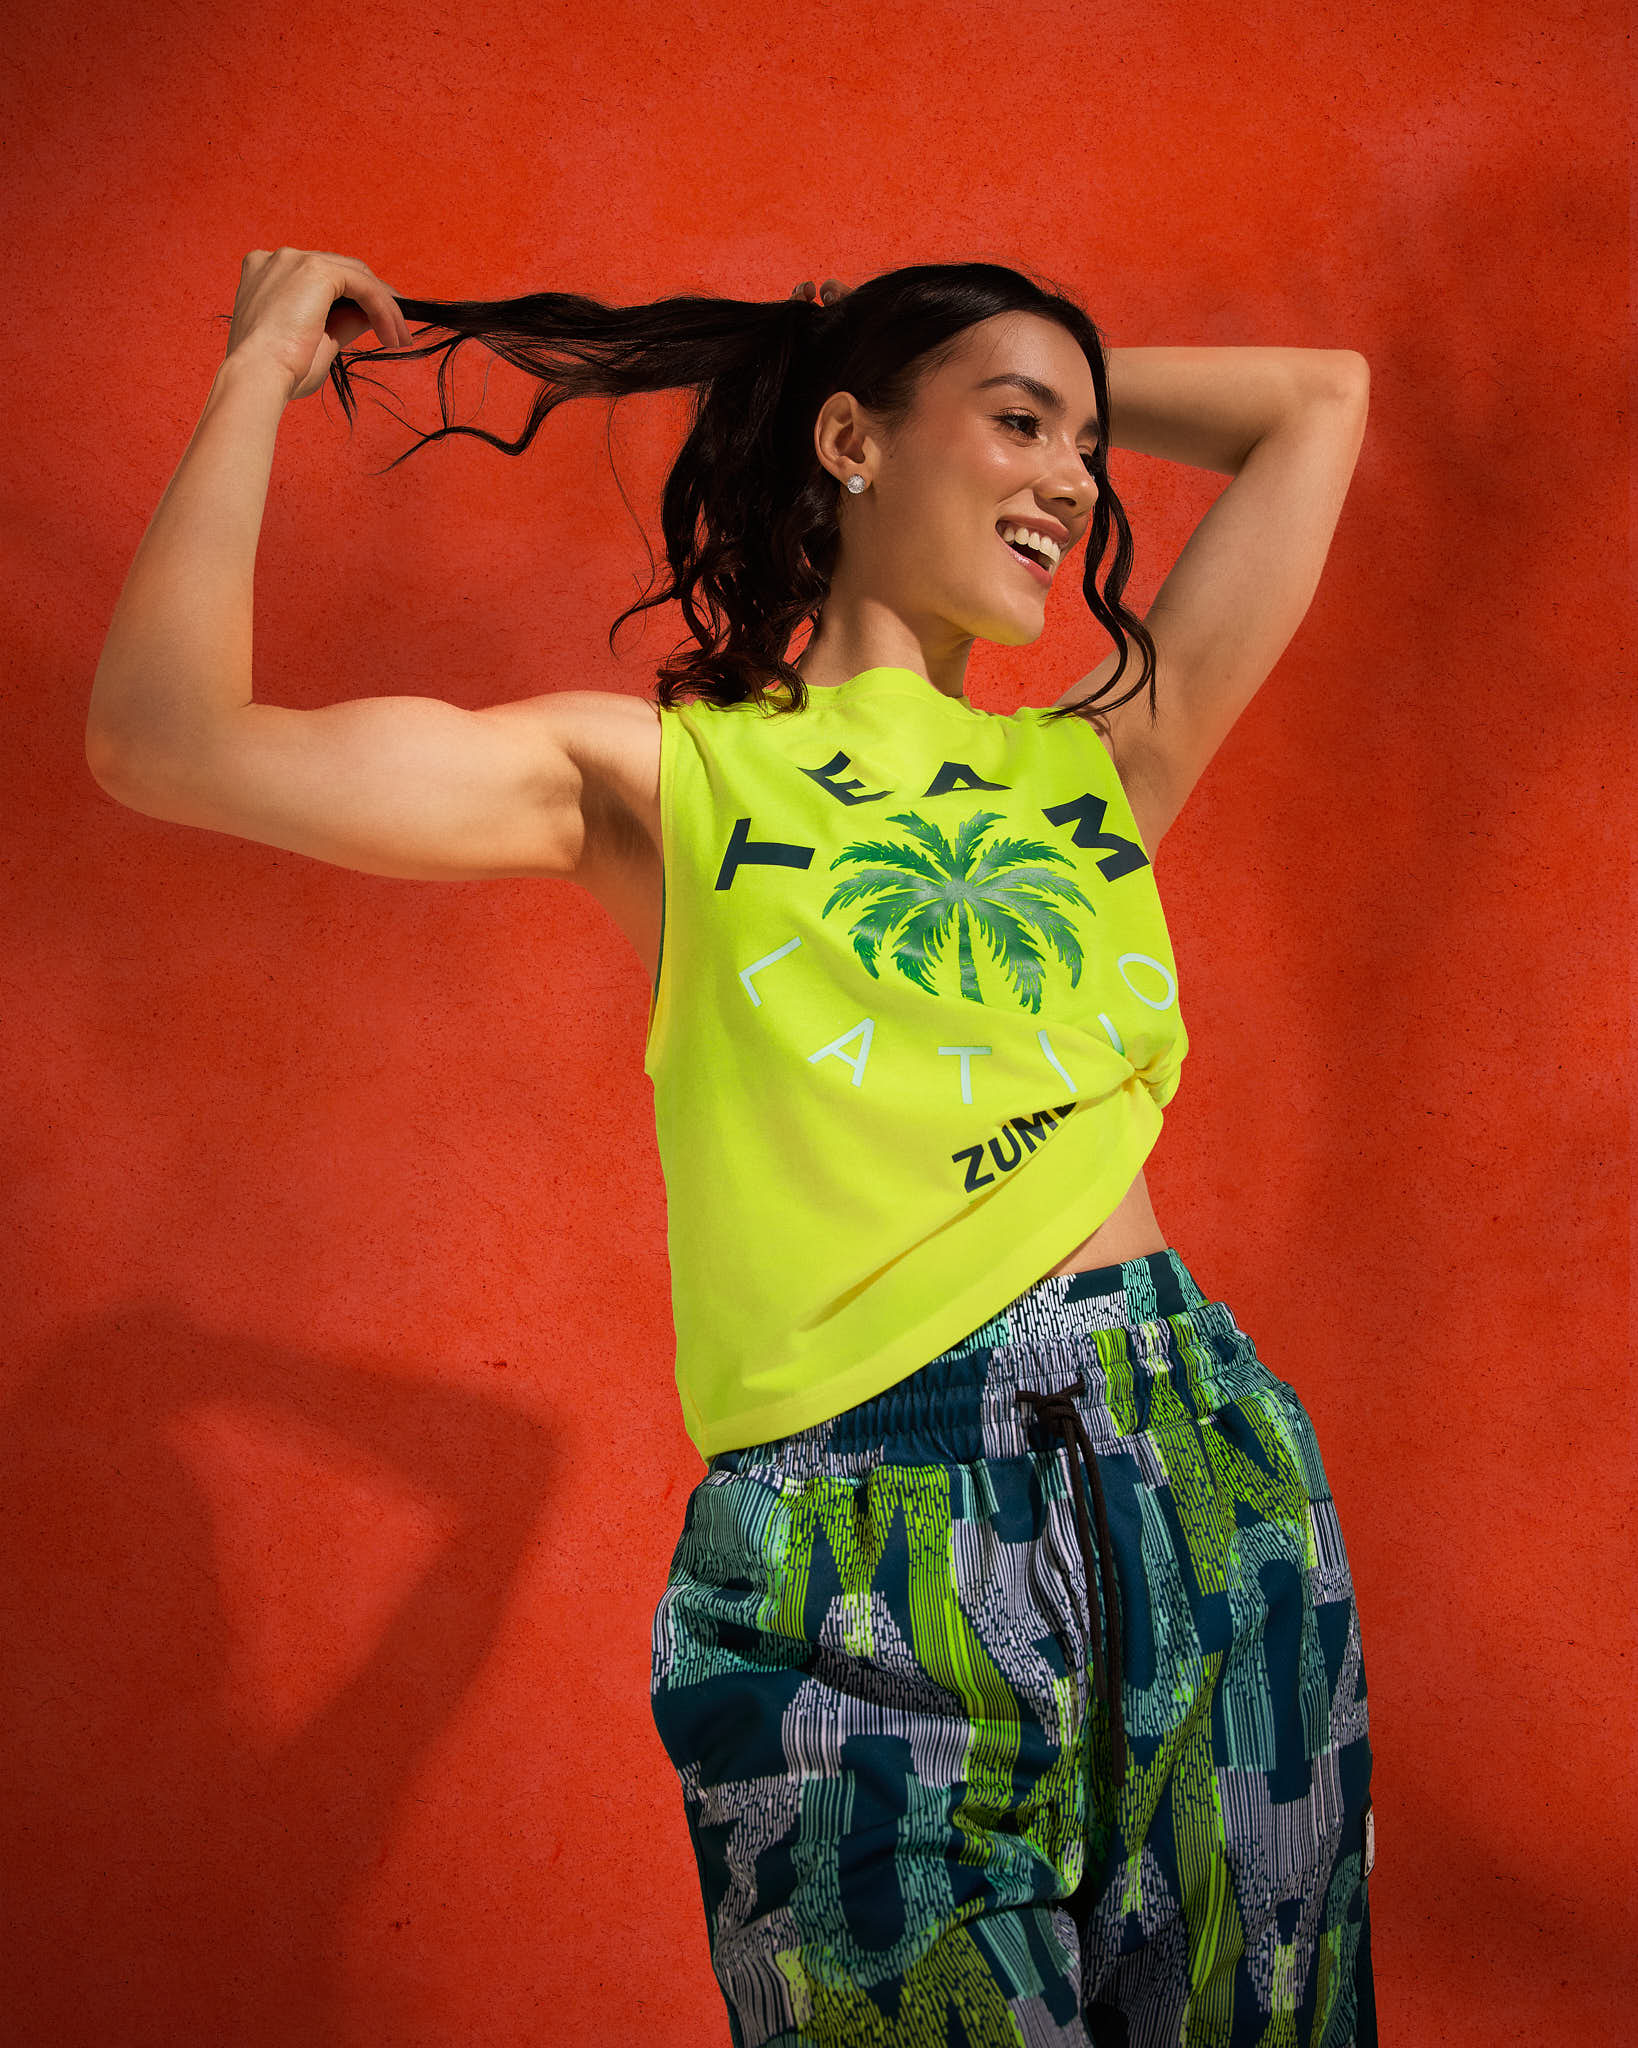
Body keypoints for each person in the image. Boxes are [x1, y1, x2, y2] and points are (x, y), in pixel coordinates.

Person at [86, 249, 1376, 2047]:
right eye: (1020, 425)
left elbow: (1313, 395)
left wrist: (944, 386)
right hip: (861, 1539)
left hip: (1199, 1481)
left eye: (1089, 445)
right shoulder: (661, 778)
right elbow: (167, 743)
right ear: (850, 441)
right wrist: (256, 375)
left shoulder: (1093, 768)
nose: (1078, 482)